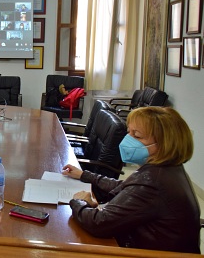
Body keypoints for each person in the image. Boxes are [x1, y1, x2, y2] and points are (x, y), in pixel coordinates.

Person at [62, 107, 200, 254]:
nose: (128, 139)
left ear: (164, 144)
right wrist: (84, 175)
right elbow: (125, 186)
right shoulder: (167, 169)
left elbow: (99, 223)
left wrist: (79, 202)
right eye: (129, 132)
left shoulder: (153, 180)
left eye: (137, 136)